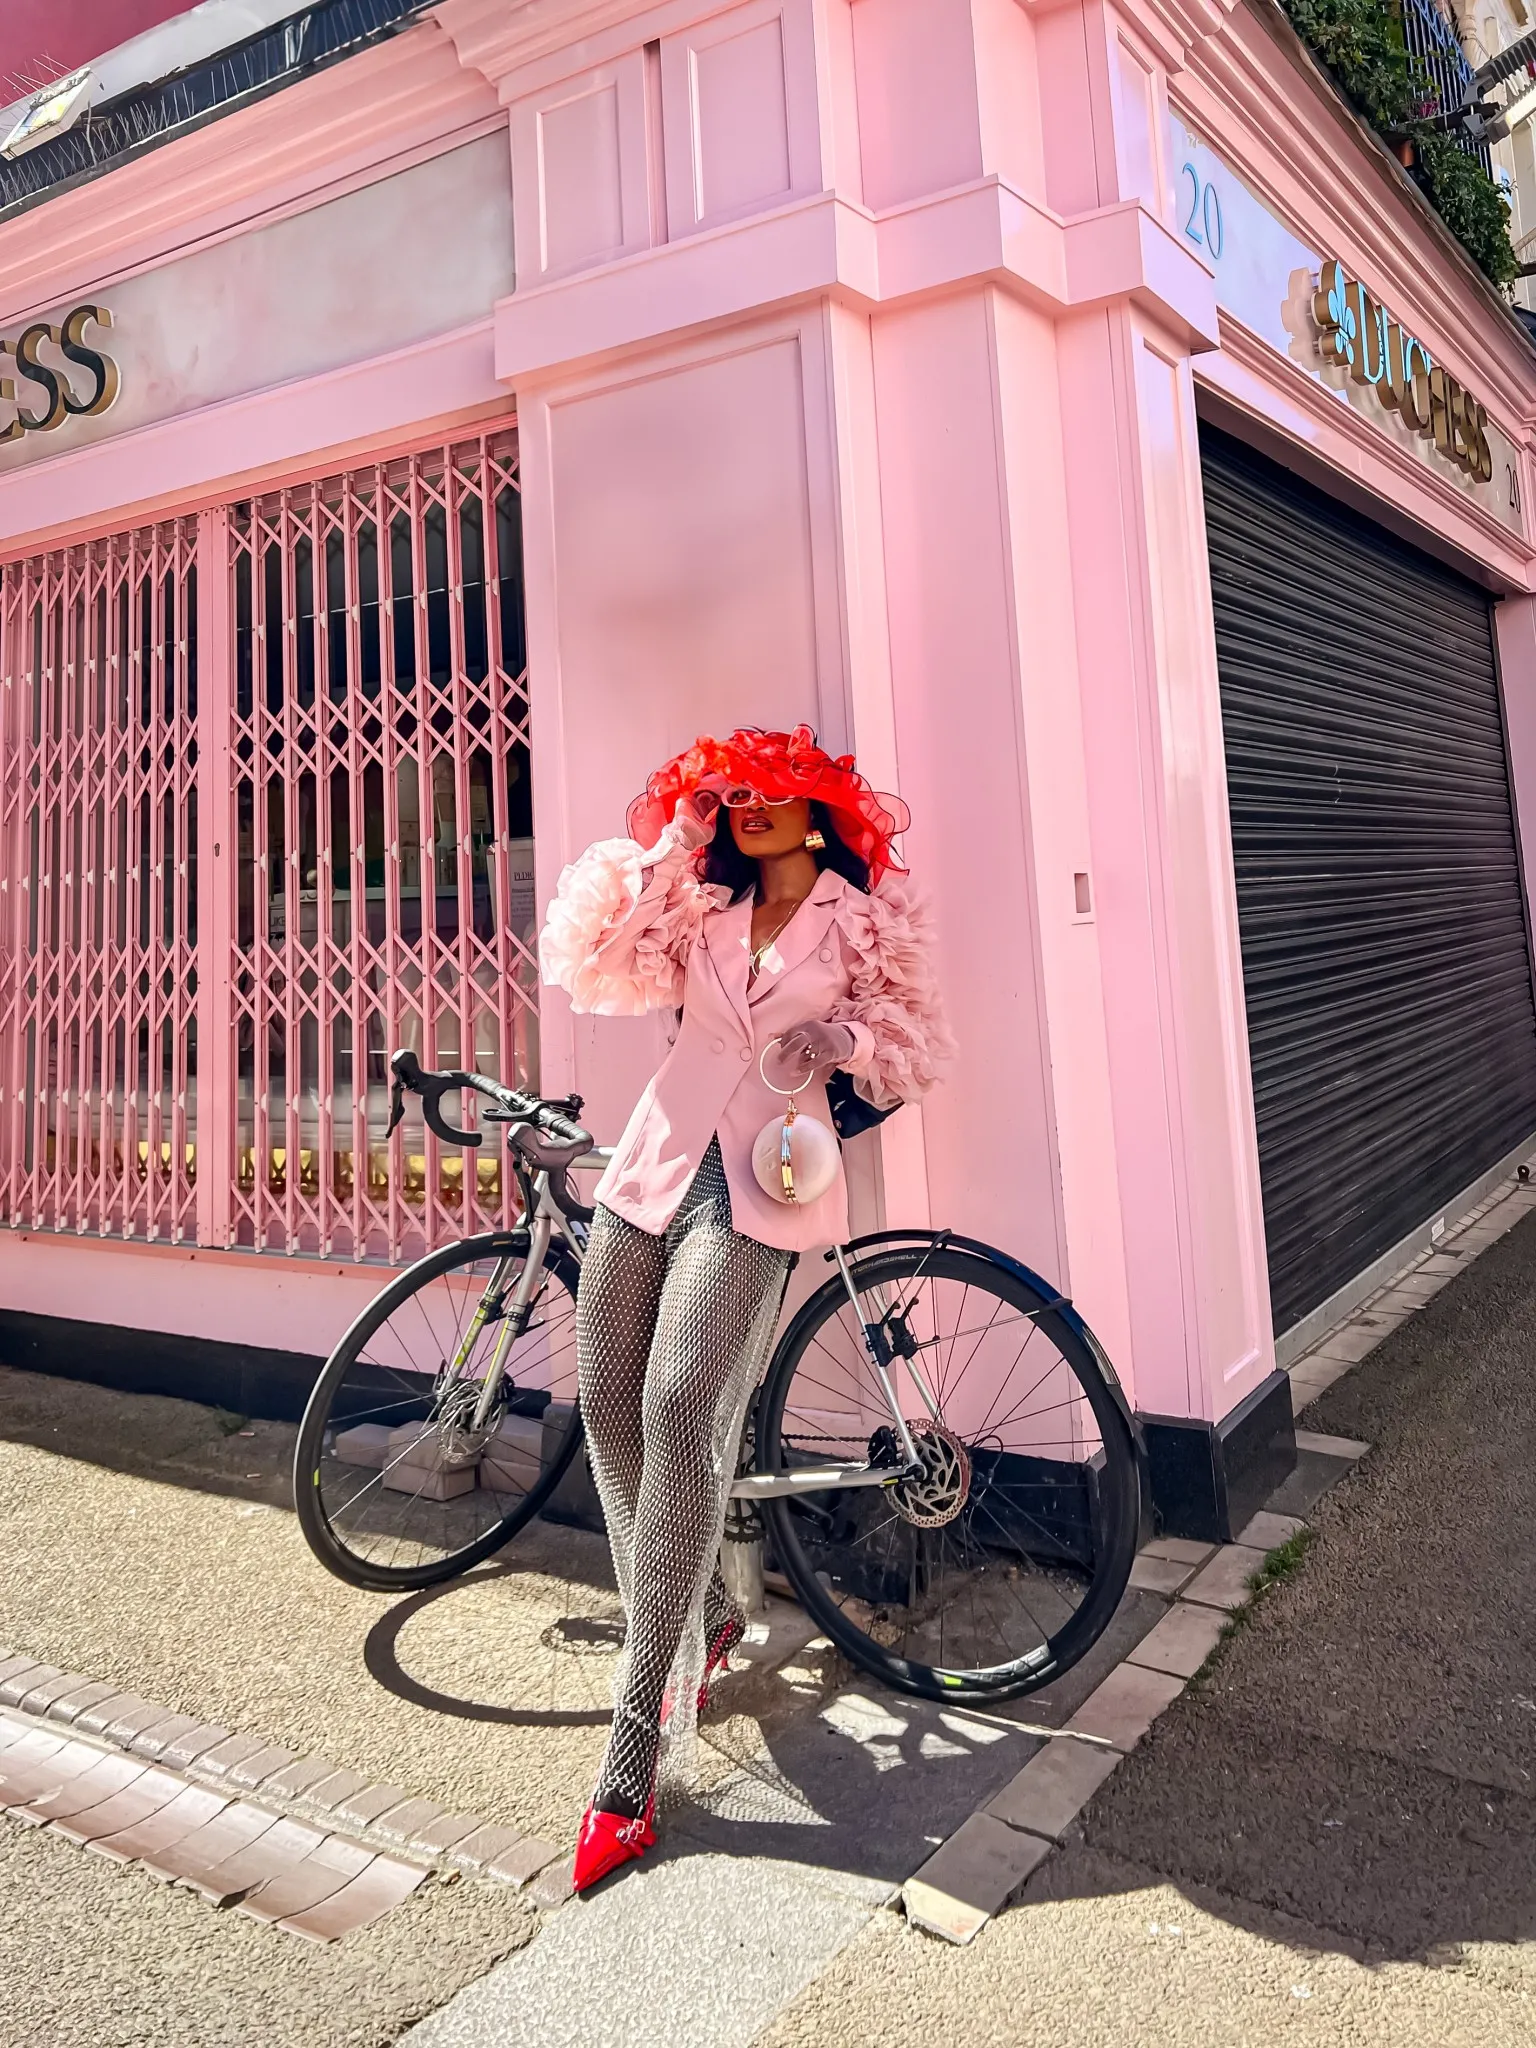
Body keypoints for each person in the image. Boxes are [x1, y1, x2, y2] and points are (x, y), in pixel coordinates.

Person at [538, 724, 952, 1891]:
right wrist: (672, 846)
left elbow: (909, 1050)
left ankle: (635, 1742)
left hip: (763, 1171)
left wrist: (847, 1035)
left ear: (820, 812)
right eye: (735, 796)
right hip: (658, 1150)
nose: (750, 808)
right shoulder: (707, 912)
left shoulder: (856, 920)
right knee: (606, 1391)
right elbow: (609, 961)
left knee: (678, 1399)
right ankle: (693, 1617)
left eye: (775, 794)